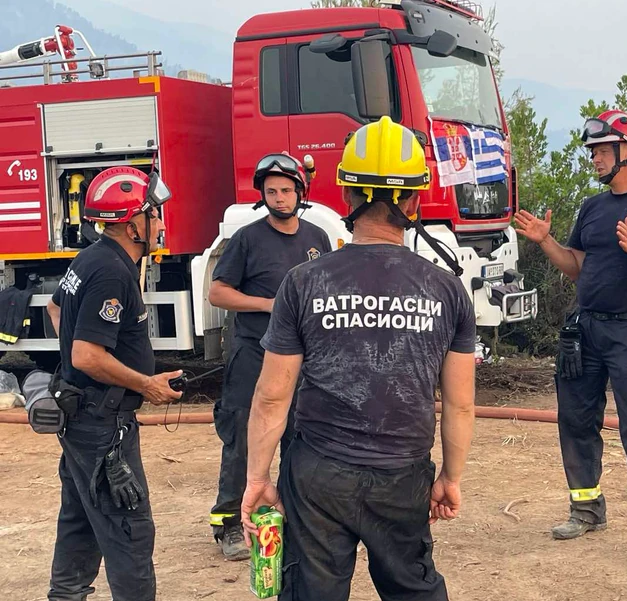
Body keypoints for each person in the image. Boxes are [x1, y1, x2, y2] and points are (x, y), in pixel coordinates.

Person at [240, 116, 476, 600]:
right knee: (413, 588)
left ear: (347, 196)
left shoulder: (304, 283)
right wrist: (450, 477)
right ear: (413, 200)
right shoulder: (447, 290)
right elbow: (460, 404)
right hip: (403, 475)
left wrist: (257, 478)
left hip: (317, 474)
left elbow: (271, 395)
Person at [514, 110, 627, 539]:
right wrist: (546, 241)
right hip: (583, 329)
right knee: (575, 419)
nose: (593, 159)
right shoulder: (592, 207)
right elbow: (578, 267)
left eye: (601, 150)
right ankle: (586, 509)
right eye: (592, 152)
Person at [44, 166, 183, 601]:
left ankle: (66, 595)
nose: (160, 224)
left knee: (81, 518)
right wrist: (145, 383)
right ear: (131, 224)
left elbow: (55, 309)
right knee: (130, 531)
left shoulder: (93, 257)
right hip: (103, 426)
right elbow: (86, 354)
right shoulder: (111, 271)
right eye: (154, 215)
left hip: (84, 417)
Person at [207, 153, 332, 560]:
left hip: (303, 359)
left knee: (301, 438)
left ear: (300, 192)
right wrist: (268, 305)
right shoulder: (246, 239)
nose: (279, 198)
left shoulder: (318, 238)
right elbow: (217, 292)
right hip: (252, 356)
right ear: (262, 196)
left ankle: (296, 516)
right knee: (245, 437)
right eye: (271, 192)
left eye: (286, 190)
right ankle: (227, 523)